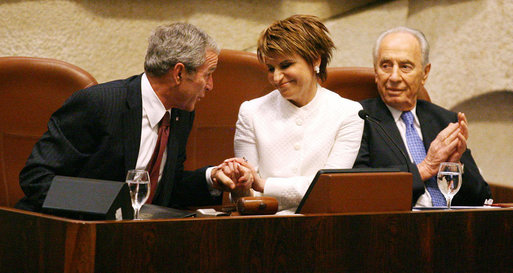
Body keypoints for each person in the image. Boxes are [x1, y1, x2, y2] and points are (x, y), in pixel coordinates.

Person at [16, 23, 250, 212]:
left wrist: (212, 178)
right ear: (179, 73)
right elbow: (36, 178)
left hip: (133, 239)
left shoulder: (180, 114)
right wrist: (110, 206)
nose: (210, 86)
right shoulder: (100, 104)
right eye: (208, 75)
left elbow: (165, 190)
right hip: (66, 234)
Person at [230, 15, 364, 214]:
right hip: (264, 222)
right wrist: (239, 182)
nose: (276, 77)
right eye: (270, 68)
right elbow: (247, 195)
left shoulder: (349, 112)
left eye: (285, 66)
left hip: (323, 224)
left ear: (315, 59)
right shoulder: (250, 111)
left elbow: (329, 187)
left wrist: (263, 184)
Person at [353, 26, 491, 207]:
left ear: (425, 73)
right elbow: (357, 189)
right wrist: (426, 168)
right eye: (386, 66)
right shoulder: (358, 119)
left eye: (405, 66)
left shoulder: (445, 121)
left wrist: (456, 166)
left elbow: (482, 198)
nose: (394, 76)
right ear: (376, 72)